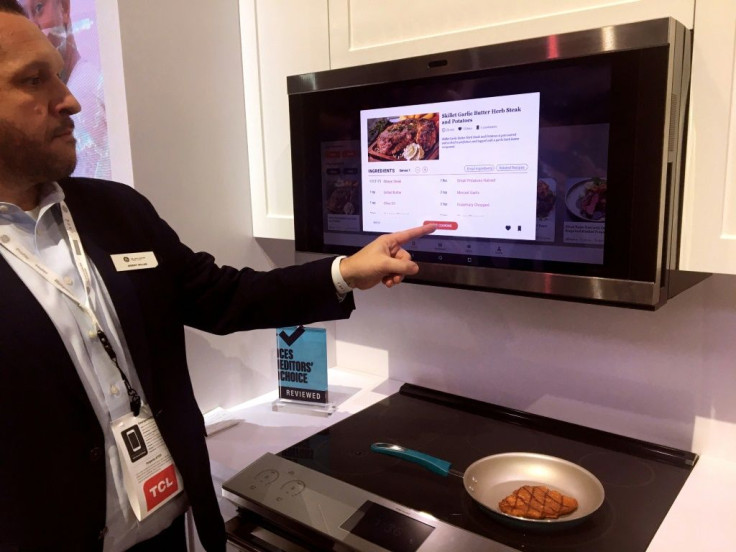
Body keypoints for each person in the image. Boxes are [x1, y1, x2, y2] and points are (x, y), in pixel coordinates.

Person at [0, 2, 434, 550]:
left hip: (175, 528)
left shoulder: (115, 211)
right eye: (34, 80)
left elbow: (221, 296)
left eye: (59, 74)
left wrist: (346, 272)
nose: (71, 100)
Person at [20, 0, 110, 178]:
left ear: (65, 7)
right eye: (23, 16)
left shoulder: (96, 84)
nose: (33, 27)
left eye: (39, 8)